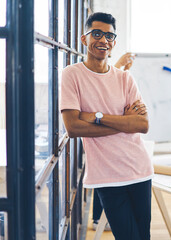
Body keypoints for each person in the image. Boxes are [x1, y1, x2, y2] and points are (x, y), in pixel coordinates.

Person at [60, 12, 153, 240]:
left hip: (140, 170)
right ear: (85, 39)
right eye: (97, 34)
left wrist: (97, 116)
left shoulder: (124, 78)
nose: (104, 40)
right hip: (107, 175)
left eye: (109, 36)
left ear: (114, 42)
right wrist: (124, 123)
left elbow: (142, 124)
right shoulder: (71, 75)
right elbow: (73, 128)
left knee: (143, 236)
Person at [91, 52, 135, 231]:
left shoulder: (120, 76)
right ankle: (97, 219)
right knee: (103, 174)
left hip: (112, 134)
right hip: (101, 135)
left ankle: (99, 217)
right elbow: (101, 87)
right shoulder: (90, 71)